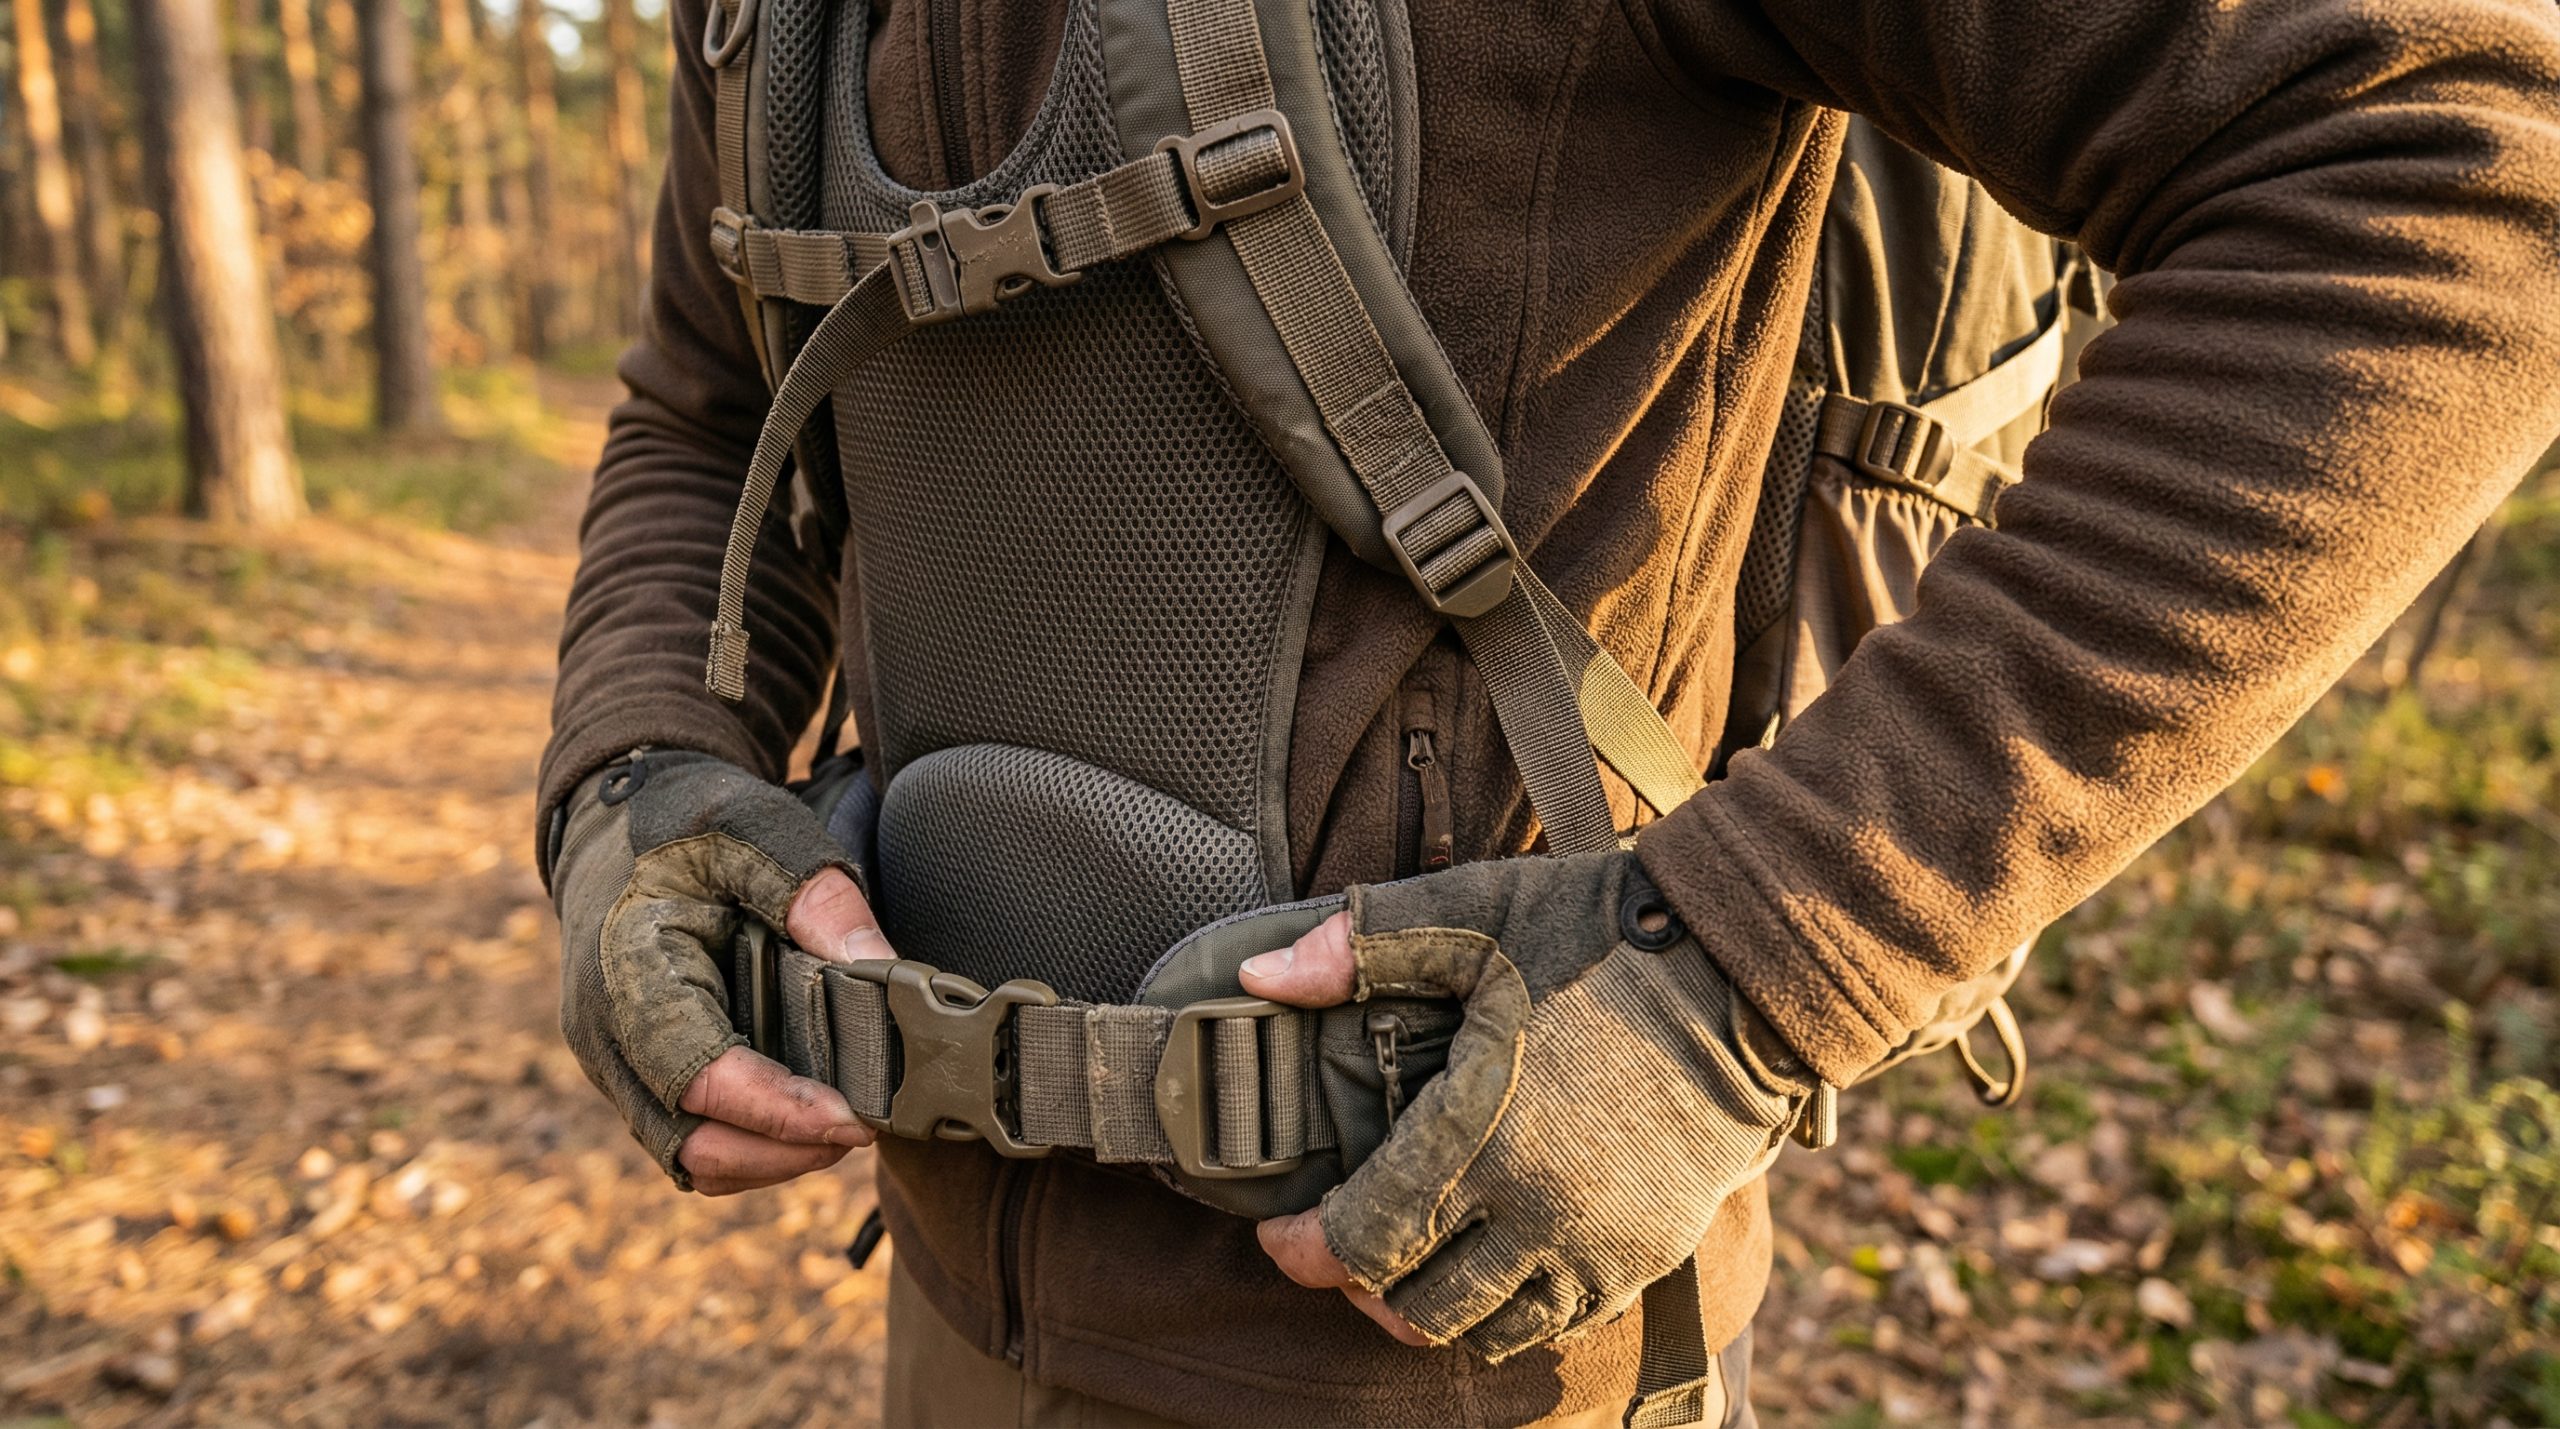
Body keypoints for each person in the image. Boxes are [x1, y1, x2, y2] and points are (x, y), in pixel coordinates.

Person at [537, 0, 2560, 1423]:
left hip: (1463, 1338)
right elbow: (707, 402)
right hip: (946, 1282)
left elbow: (2450, 176)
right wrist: (637, 773)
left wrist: (1764, 954)